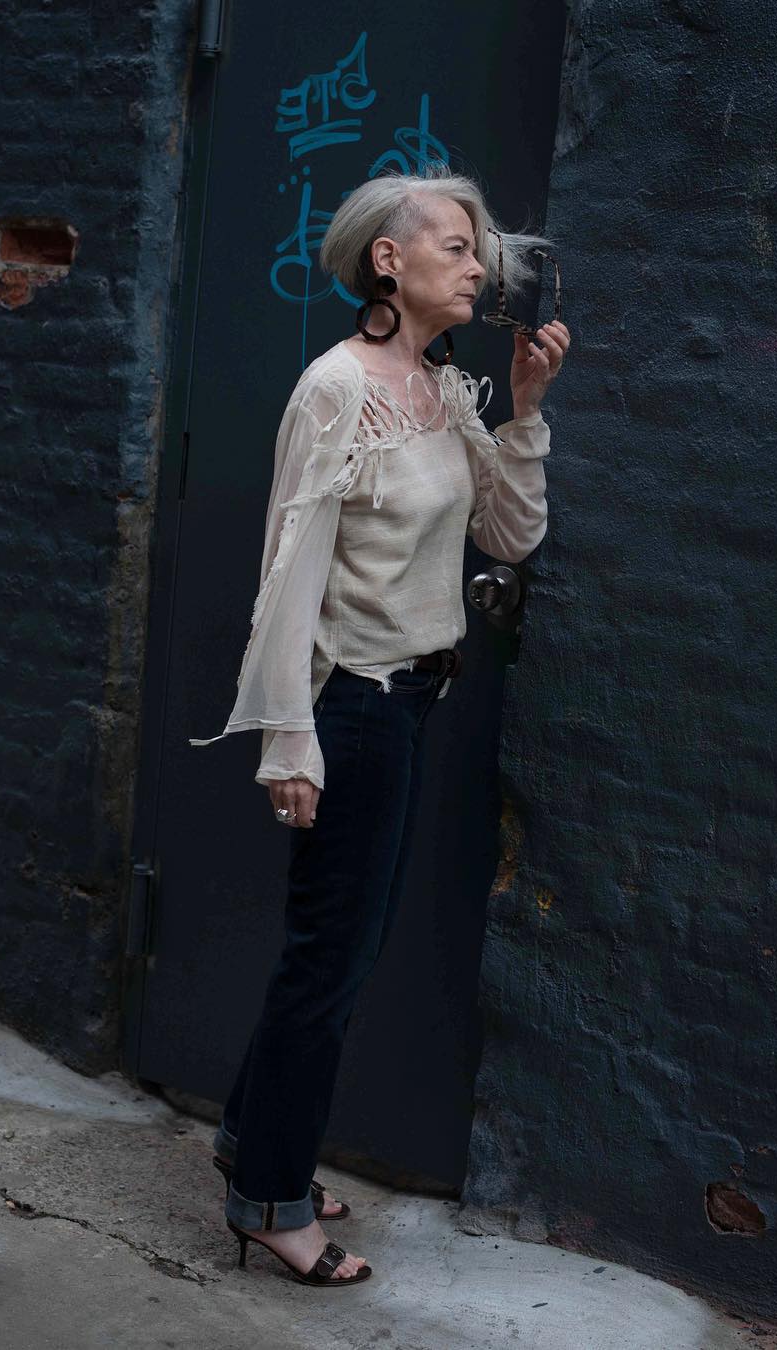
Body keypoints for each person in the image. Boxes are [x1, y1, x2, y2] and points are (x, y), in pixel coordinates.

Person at [189, 162, 570, 1288]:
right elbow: (289, 573)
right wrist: (287, 739)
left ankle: (249, 1140)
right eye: (456, 245)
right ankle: (271, 1200)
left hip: (412, 701)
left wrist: (526, 410)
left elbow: (509, 537)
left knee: (335, 951)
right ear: (388, 261)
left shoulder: (445, 390)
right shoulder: (335, 388)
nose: (478, 264)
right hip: (352, 704)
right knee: (332, 960)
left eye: (479, 248)